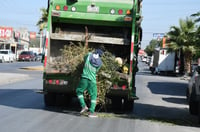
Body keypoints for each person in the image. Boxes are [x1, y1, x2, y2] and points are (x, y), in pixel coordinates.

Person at [76, 49, 103, 118]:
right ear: (100, 56)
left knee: (79, 91)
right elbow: (96, 71)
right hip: (92, 81)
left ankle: (83, 106)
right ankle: (91, 112)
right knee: (93, 95)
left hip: (84, 78)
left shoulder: (88, 56)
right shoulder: (100, 63)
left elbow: (84, 59)